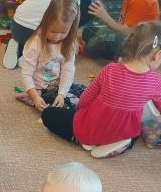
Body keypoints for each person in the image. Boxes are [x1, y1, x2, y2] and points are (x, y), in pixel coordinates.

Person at [42, 21, 161, 158]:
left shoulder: (109, 70)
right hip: (123, 133)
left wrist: (79, 111)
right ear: (158, 54)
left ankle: (80, 139)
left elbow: (86, 98)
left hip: (90, 129)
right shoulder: (156, 81)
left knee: (48, 114)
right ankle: (123, 144)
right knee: (137, 129)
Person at [16, 0, 85, 112]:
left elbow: (68, 71)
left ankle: (34, 97)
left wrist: (62, 94)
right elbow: (26, 73)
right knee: (69, 107)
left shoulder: (69, 43)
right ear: (45, 23)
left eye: (63, 32)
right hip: (40, 88)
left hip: (58, 85)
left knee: (85, 93)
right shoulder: (34, 43)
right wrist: (35, 97)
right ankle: (30, 97)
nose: (57, 36)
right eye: (53, 31)